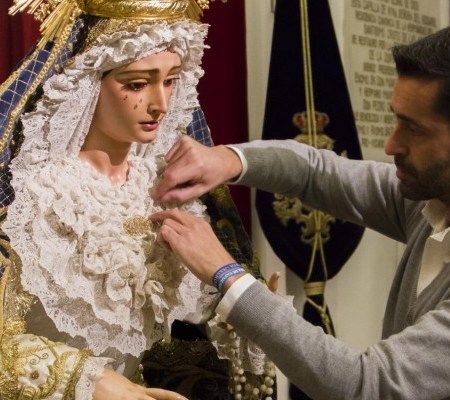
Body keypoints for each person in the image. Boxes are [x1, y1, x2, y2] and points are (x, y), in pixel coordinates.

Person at [150, 26, 450, 399]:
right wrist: (227, 159)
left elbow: (369, 385)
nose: (391, 144)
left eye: (414, 129)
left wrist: (228, 275)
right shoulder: (431, 199)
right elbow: (315, 172)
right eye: (396, 120)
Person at [0, 1, 272, 399]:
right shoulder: (35, 198)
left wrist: (239, 320)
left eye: (171, 80)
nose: (160, 103)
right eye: (137, 84)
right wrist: (84, 380)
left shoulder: (172, 192)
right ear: (88, 81)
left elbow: (185, 338)